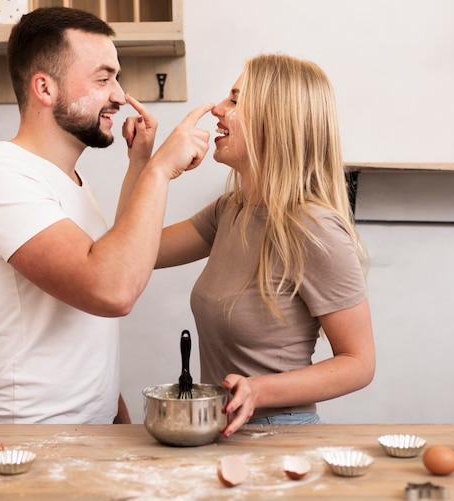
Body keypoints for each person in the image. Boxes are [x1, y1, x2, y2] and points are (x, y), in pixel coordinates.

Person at [0, 6, 212, 425]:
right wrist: (162, 169)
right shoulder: (1, 179)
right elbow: (112, 289)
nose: (120, 95)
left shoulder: (68, 179)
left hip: (84, 436)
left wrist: (140, 163)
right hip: (26, 445)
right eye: (103, 77)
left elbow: (117, 256)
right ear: (45, 88)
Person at [123, 54, 375, 437]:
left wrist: (259, 389)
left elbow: (360, 362)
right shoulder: (230, 211)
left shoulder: (314, 229)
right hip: (225, 431)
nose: (218, 110)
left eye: (236, 101)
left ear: (275, 122)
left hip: (280, 434)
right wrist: (145, 162)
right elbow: (130, 250)